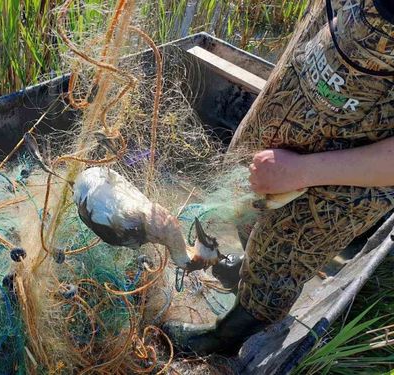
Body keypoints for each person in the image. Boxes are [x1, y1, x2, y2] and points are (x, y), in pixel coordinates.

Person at [163, 0, 394, 355]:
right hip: (293, 102)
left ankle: (224, 339)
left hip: (340, 174)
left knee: (281, 260)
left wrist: (302, 171)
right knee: (246, 204)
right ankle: (250, 266)